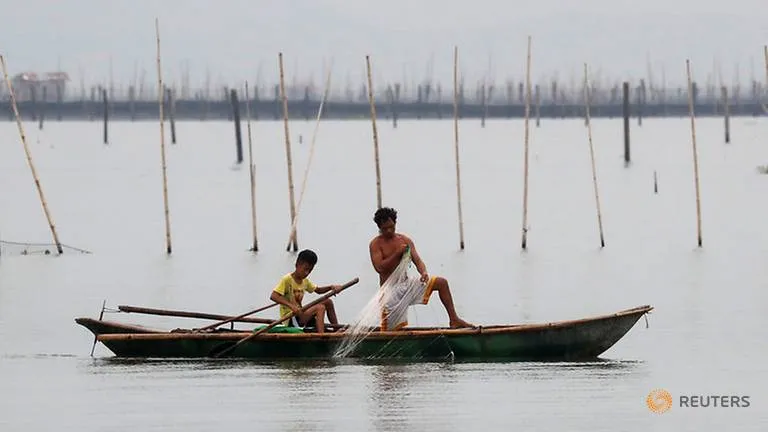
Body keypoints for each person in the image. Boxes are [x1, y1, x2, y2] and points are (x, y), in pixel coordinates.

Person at [368, 207, 473, 330]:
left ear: (395, 223)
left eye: (392, 227)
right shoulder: (375, 244)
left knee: (441, 283)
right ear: (379, 228)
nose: (389, 231)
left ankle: (454, 319)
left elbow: (418, 261)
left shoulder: (404, 240)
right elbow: (379, 268)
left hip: (406, 284)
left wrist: (423, 272)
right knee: (391, 332)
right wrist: (397, 253)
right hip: (390, 292)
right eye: (385, 229)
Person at [270, 249, 341, 333]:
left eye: (310, 271)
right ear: (297, 264)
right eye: (305, 269)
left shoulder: (305, 281)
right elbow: (274, 296)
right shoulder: (287, 279)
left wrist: (331, 287)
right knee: (320, 308)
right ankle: (321, 336)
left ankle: (336, 329)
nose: (307, 273)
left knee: (328, 301)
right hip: (291, 318)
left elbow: (318, 290)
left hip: (301, 314)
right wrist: (291, 306)